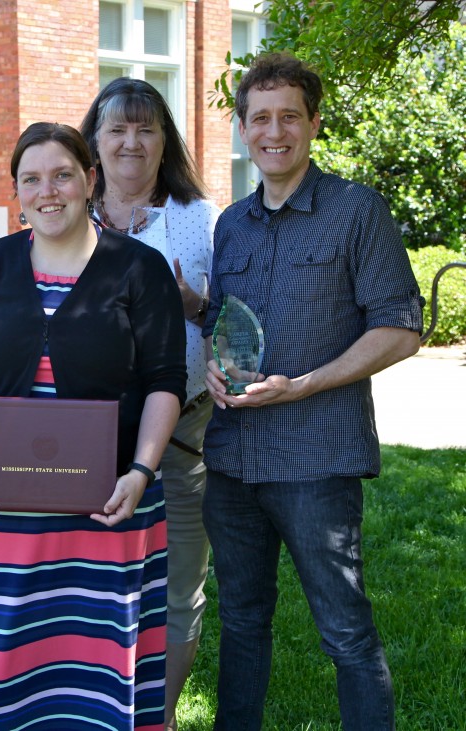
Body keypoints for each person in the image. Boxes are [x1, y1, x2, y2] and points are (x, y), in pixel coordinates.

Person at [0, 122, 187, 730]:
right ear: (17, 191)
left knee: (96, 675)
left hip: (112, 503)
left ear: (89, 181)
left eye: (62, 175)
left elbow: (165, 380)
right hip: (7, 505)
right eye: (31, 179)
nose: (47, 191)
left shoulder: (139, 268)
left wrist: (141, 470)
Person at [201, 52, 423, 730]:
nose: (275, 131)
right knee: (240, 620)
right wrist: (216, 365)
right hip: (233, 460)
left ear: (314, 124)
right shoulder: (230, 222)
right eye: (260, 118)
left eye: (290, 117)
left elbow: (402, 327)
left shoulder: (357, 210)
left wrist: (304, 385)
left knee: (345, 632)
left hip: (316, 462)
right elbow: (228, 323)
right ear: (241, 128)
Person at [80, 77, 220, 731]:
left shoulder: (198, 218)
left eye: (147, 128)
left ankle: (153, 719)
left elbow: (235, 322)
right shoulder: (65, 209)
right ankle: (90, 706)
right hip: (86, 433)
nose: (132, 141)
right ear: (95, 141)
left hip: (184, 431)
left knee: (180, 586)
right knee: (90, 582)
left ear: (166, 141)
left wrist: (190, 302)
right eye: (118, 128)